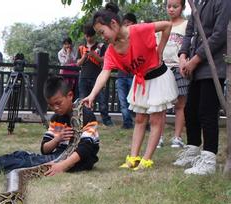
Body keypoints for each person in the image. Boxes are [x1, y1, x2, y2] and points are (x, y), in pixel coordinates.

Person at [83, 3, 178, 170]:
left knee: (156, 119)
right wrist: (92, 95)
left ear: (113, 24)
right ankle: (133, 158)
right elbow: (104, 73)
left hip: (158, 77)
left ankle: (146, 160)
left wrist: (160, 50)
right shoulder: (111, 51)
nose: (102, 37)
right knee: (140, 118)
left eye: (102, 32)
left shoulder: (137, 30)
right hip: (141, 81)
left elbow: (167, 25)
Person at [0, 76, 100, 175]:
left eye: (58, 103)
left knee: (28, 162)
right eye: (51, 105)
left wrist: (63, 165)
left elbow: (87, 147)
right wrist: (57, 139)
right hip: (58, 154)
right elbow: (44, 148)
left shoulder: (86, 115)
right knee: (20, 154)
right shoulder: (57, 118)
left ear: (70, 96)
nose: (55, 108)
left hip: (77, 161)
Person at [173, 0, 231, 175]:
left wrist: (195, 60)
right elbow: (190, 31)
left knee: (207, 112)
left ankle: (209, 158)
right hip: (194, 67)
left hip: (213, 66)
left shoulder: (223, 2)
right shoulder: (197, 3)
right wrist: (183, 57)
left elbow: (219, 35)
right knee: (191, 110)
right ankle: (192, 149)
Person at [156, 0, 189, 148]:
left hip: (179, 67)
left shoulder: (187, 25)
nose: (171, 9)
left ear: (182, 7)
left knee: (180, 105)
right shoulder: (162, 25)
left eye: (175, 6)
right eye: (169, 6)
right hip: (163, 68)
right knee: (161, 105)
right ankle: (159, 136)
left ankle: (177, 137)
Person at [77, 24, 113, 126]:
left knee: (102, 101)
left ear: (94, 35)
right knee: (83, 99)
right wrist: (84, 56)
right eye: (87, 36)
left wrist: (94, 55)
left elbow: (104, 60)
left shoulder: (100, 46)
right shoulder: (81, 48)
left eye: (90, 36)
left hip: (97, 77)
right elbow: (78, 63)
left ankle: (106, 120)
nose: (88, 38)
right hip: (83, 77)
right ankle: (84, 120)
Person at [115, 13, 137, 129]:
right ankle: (127, 123)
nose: (127, 25)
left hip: (134, 75)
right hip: (121, 75)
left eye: (129, 22)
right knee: (123, 102)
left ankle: (143, 123)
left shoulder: (137, 38)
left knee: (137, 101)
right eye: (125, 23)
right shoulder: (119, 40)